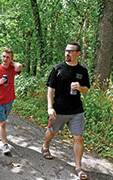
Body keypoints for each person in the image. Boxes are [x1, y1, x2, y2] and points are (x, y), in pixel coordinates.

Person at [42, 42, 89, 180]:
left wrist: (80, 88)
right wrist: (50, 107)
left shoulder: (82, 70)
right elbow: (50, 89)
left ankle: (78, 168)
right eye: (66, 50)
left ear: (78, 53)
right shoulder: (58, 68)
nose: (67, 53)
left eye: (70, 51)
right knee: (51, 132)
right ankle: (45, 146)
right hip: (59, 110)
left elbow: (86, 89)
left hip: (76, 111)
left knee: (78, 137)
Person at [0, 48, 22, 154]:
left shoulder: (12, 69)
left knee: (2, 120)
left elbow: (19, 66)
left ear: (11, 59)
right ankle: (5, 145)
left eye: (8, 57)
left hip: (9, 100)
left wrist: (12, 62)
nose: (5, 59)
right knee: (3, 123)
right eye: (3, 56)